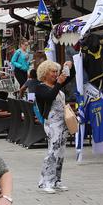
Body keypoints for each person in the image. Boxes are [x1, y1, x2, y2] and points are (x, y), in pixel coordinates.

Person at [35, 59, 72, 194]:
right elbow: (49, 97)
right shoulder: (40, 87)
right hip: (52, 123)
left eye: (57, 72)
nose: (55, 74)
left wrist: (68, 65)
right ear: (45, 73)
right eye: (53, 71)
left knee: (61, 152)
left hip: (62, 123)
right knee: (52, 151)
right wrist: (59, 84)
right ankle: (45, 181)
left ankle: (56, 180)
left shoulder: (56, 85)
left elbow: (69, 76)